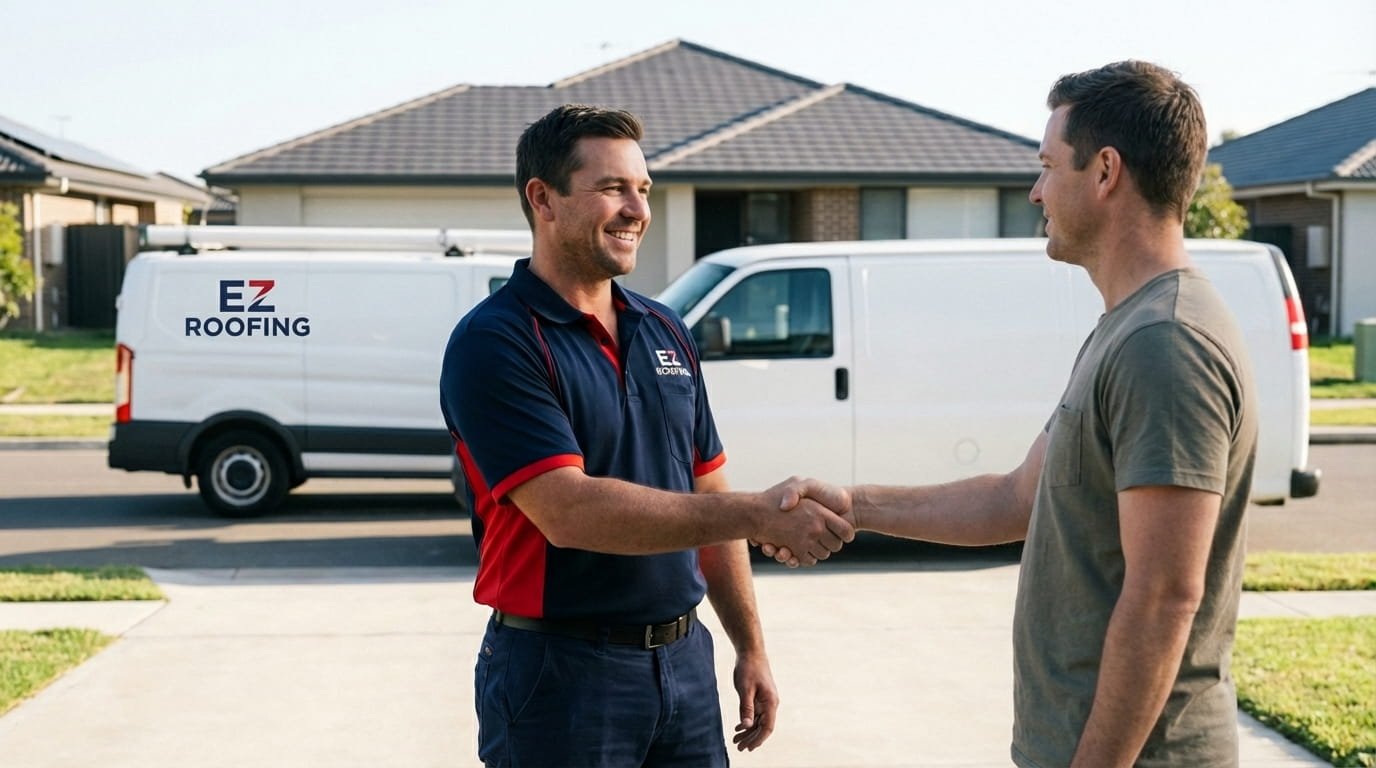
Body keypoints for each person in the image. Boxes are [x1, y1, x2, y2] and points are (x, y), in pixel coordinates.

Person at [765, 61, 1258, 767]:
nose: (1036, 190)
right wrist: (854, 504)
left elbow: (1163, 597)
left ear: (1106, 171)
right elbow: (1016, 498)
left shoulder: (1165, 342)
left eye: (1048, 165)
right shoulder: (1128, 327)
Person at [439, 104, 854, 768]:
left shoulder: (664, 330)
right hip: (560, 674)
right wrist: (758, 511)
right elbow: (569, 511)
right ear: (543, 199)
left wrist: (750, 646)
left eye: (644, 190)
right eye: (613, 188)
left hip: (684, 663)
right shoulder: (496, 340)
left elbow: (706, 490)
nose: (637, 208)